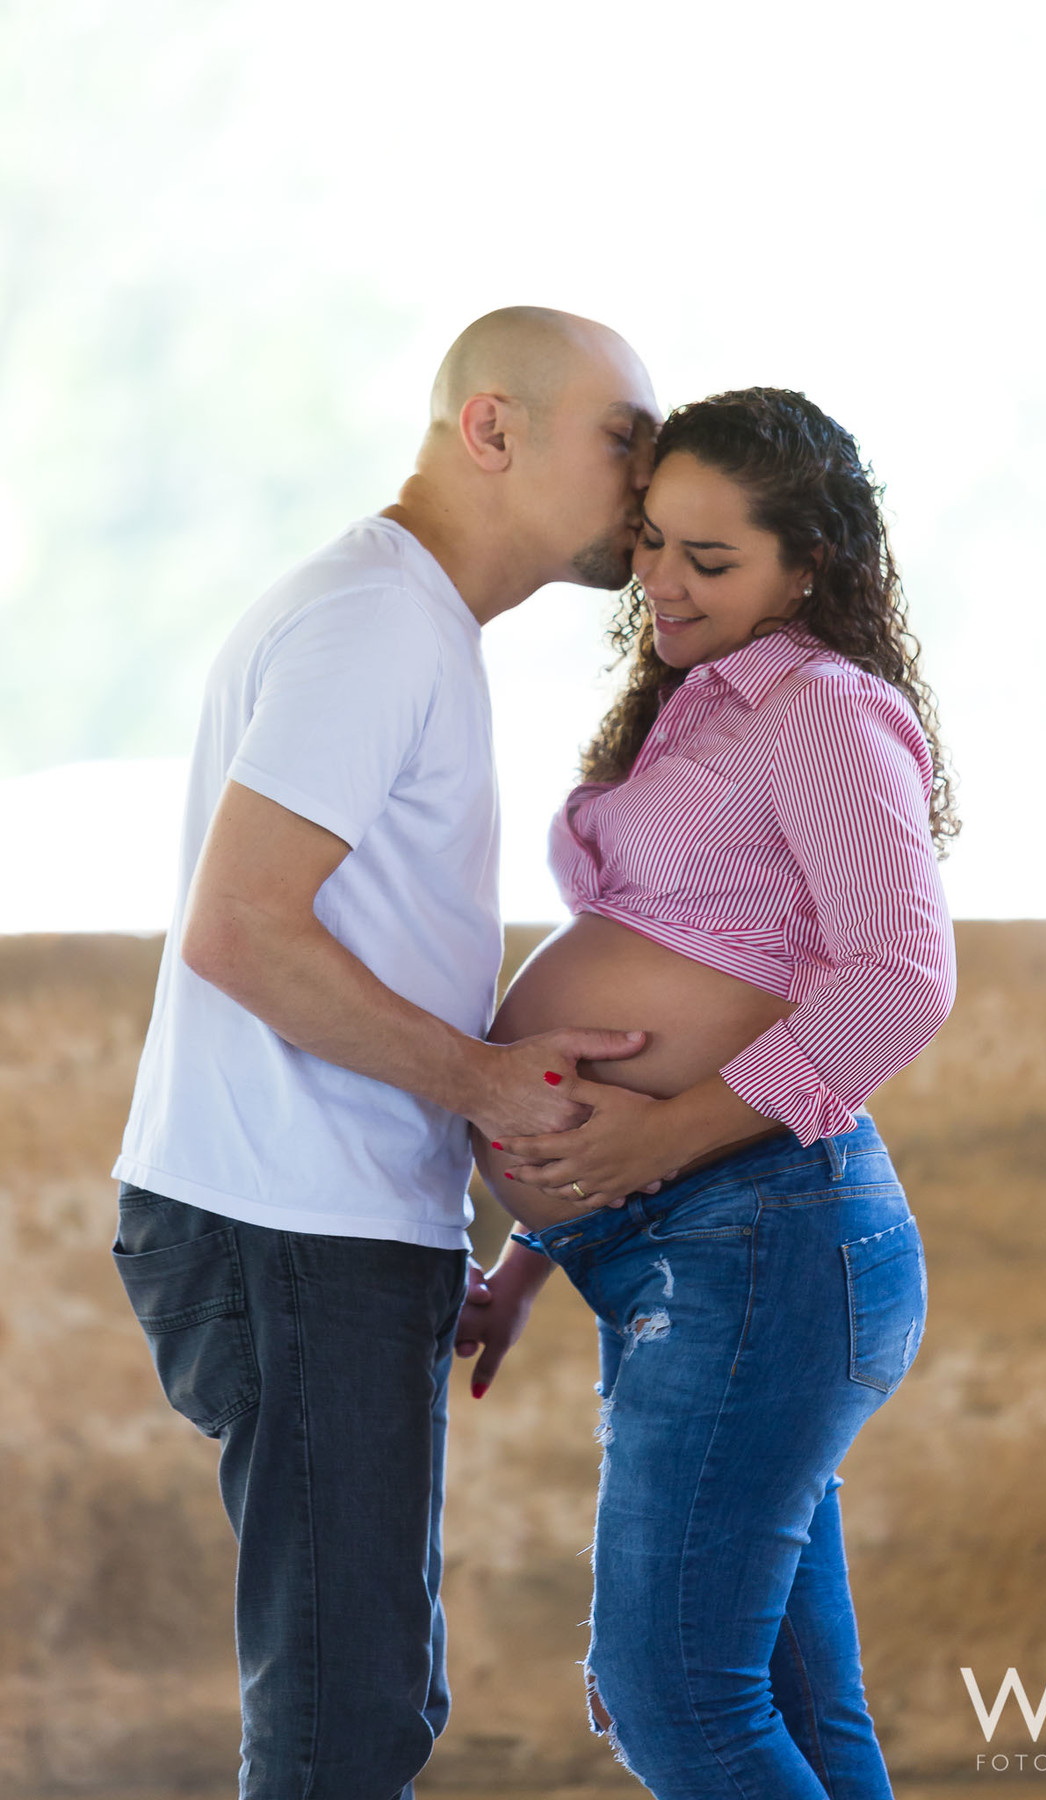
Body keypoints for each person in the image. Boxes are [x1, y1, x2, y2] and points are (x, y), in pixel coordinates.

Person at [108, 305, 663, 1799]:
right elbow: (241, 931)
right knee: (345, 1722)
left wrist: (466, 1233)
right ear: (491, 427)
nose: (654, 469)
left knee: (371, 1699)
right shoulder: (375, 621)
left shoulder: (407, 621)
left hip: (328, 1228)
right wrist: (488, 1085)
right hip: (291, 1232)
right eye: (624, 433)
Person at [463, 387, 958, 1799]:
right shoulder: (695, 708)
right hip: (705, 1241)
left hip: (766, 1235)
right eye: (654, 545)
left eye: (711, 559)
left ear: (809, 565)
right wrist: (535, 1252)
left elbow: (902, 977)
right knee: (792, 1706)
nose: (663, 583)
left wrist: (663, 1137)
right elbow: (679, 990)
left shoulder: (817, 705)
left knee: (674, 1693)